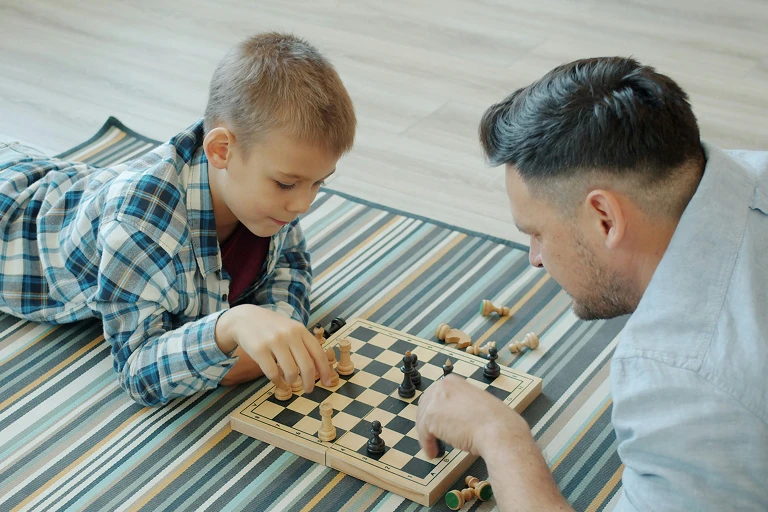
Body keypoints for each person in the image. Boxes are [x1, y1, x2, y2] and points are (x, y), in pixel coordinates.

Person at [416, 57, 768, 511]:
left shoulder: (681, 377)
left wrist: (499, 437)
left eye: (537, 232)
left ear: (604, 218)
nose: (535, 259)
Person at [0, 33, 357, 406]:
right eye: (287, 184)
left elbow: (290, 264)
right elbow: (137, 372)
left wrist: (277, 321)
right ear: (221, 150)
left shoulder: (268, 190)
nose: (302, 204)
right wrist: (230, 327)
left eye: (318, 183)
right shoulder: (139, 227)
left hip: (73, 186)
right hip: (16, 229)